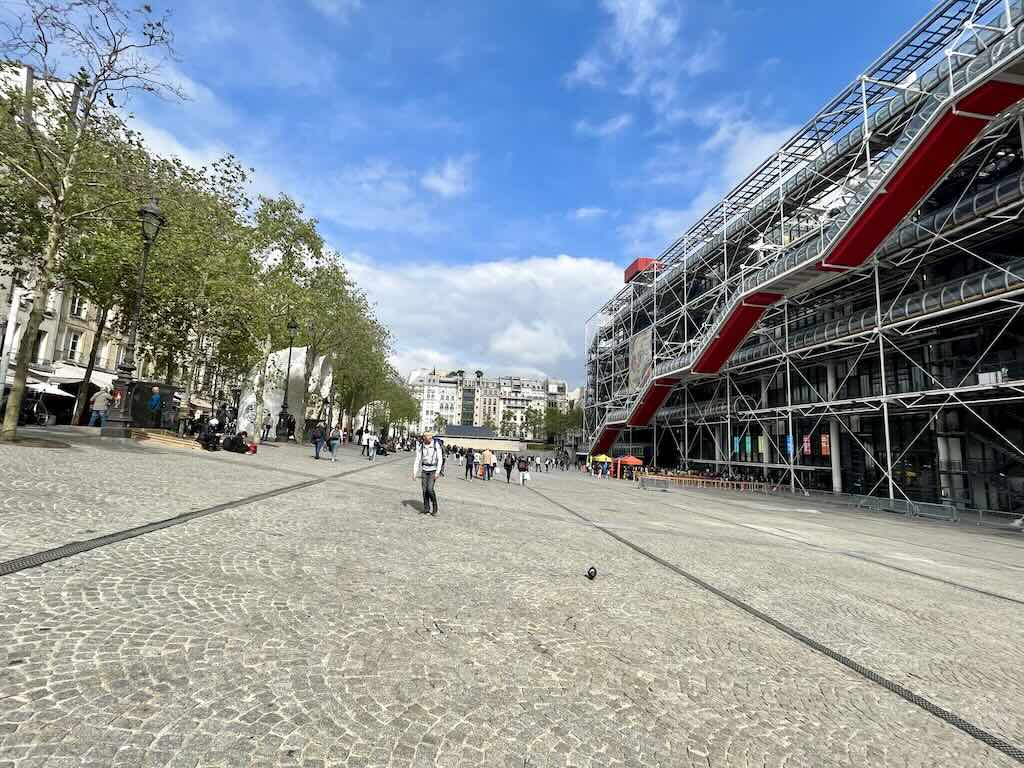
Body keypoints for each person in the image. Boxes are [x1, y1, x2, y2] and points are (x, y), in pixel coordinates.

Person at [413, 431, 445, 516]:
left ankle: (435, 506)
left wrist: (438, 472)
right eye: (426, 438)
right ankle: (426, 509)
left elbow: (440, 459)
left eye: (429, 437)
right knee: (424, 490)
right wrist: (414, 472)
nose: (428, 439)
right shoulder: (421, 445)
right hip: (424, 469)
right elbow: (418, 458)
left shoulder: (436, 445)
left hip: (433, 470)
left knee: (430, 489)